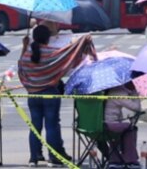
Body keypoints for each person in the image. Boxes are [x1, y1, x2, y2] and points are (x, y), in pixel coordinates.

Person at [19, 24, 95, 167]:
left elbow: (21, 69)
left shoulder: (27, 54)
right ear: (47, 38)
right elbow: (69, 56)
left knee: (34, 126)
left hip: (33, 95)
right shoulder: (52, 53)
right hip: (50, 94)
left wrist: (24, 47)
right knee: (52, 125)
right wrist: (80, 42)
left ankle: (33, 158)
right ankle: (54, 158)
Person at [102, 83, 142, 167]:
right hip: (110, 124)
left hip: (104, 123)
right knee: (130, 128)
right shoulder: (119, 92)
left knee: (120, 129)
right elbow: (136, 107)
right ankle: (130, 159)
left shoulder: (114, 90)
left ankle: (115, 159)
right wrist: (135, 93)